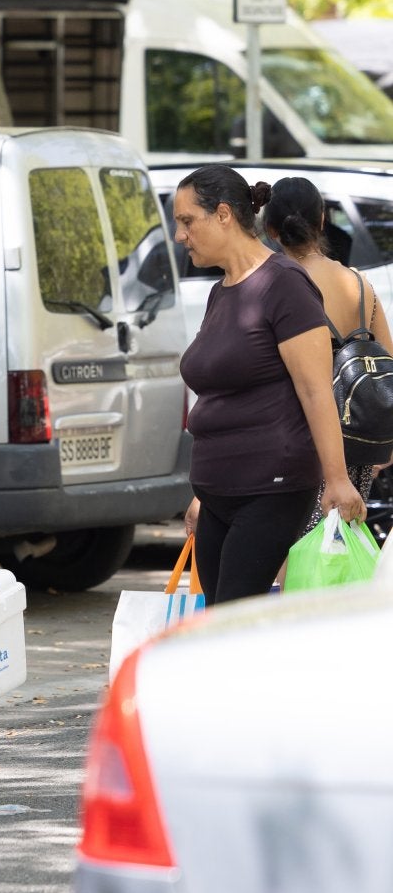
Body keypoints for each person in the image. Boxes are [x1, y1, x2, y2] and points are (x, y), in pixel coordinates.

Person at [177, 165, 364, 603]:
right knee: (218, 625)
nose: (181, 235)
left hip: (270, 486)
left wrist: (337, 479)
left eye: (187, 221)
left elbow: (317, 390)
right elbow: (222, 393)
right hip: (217, 488)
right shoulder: (222, 290)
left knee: (231, 623)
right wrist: (202, 497)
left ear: (223, 214)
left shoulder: (285, 285)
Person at [265, 176, 393, 535]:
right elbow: (387, 365)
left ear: (271, 229)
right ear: (322, 221)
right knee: (335, 547)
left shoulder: (274, 285)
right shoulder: (359, 283)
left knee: (293, 552)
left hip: (295, 439)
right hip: (356, 441)